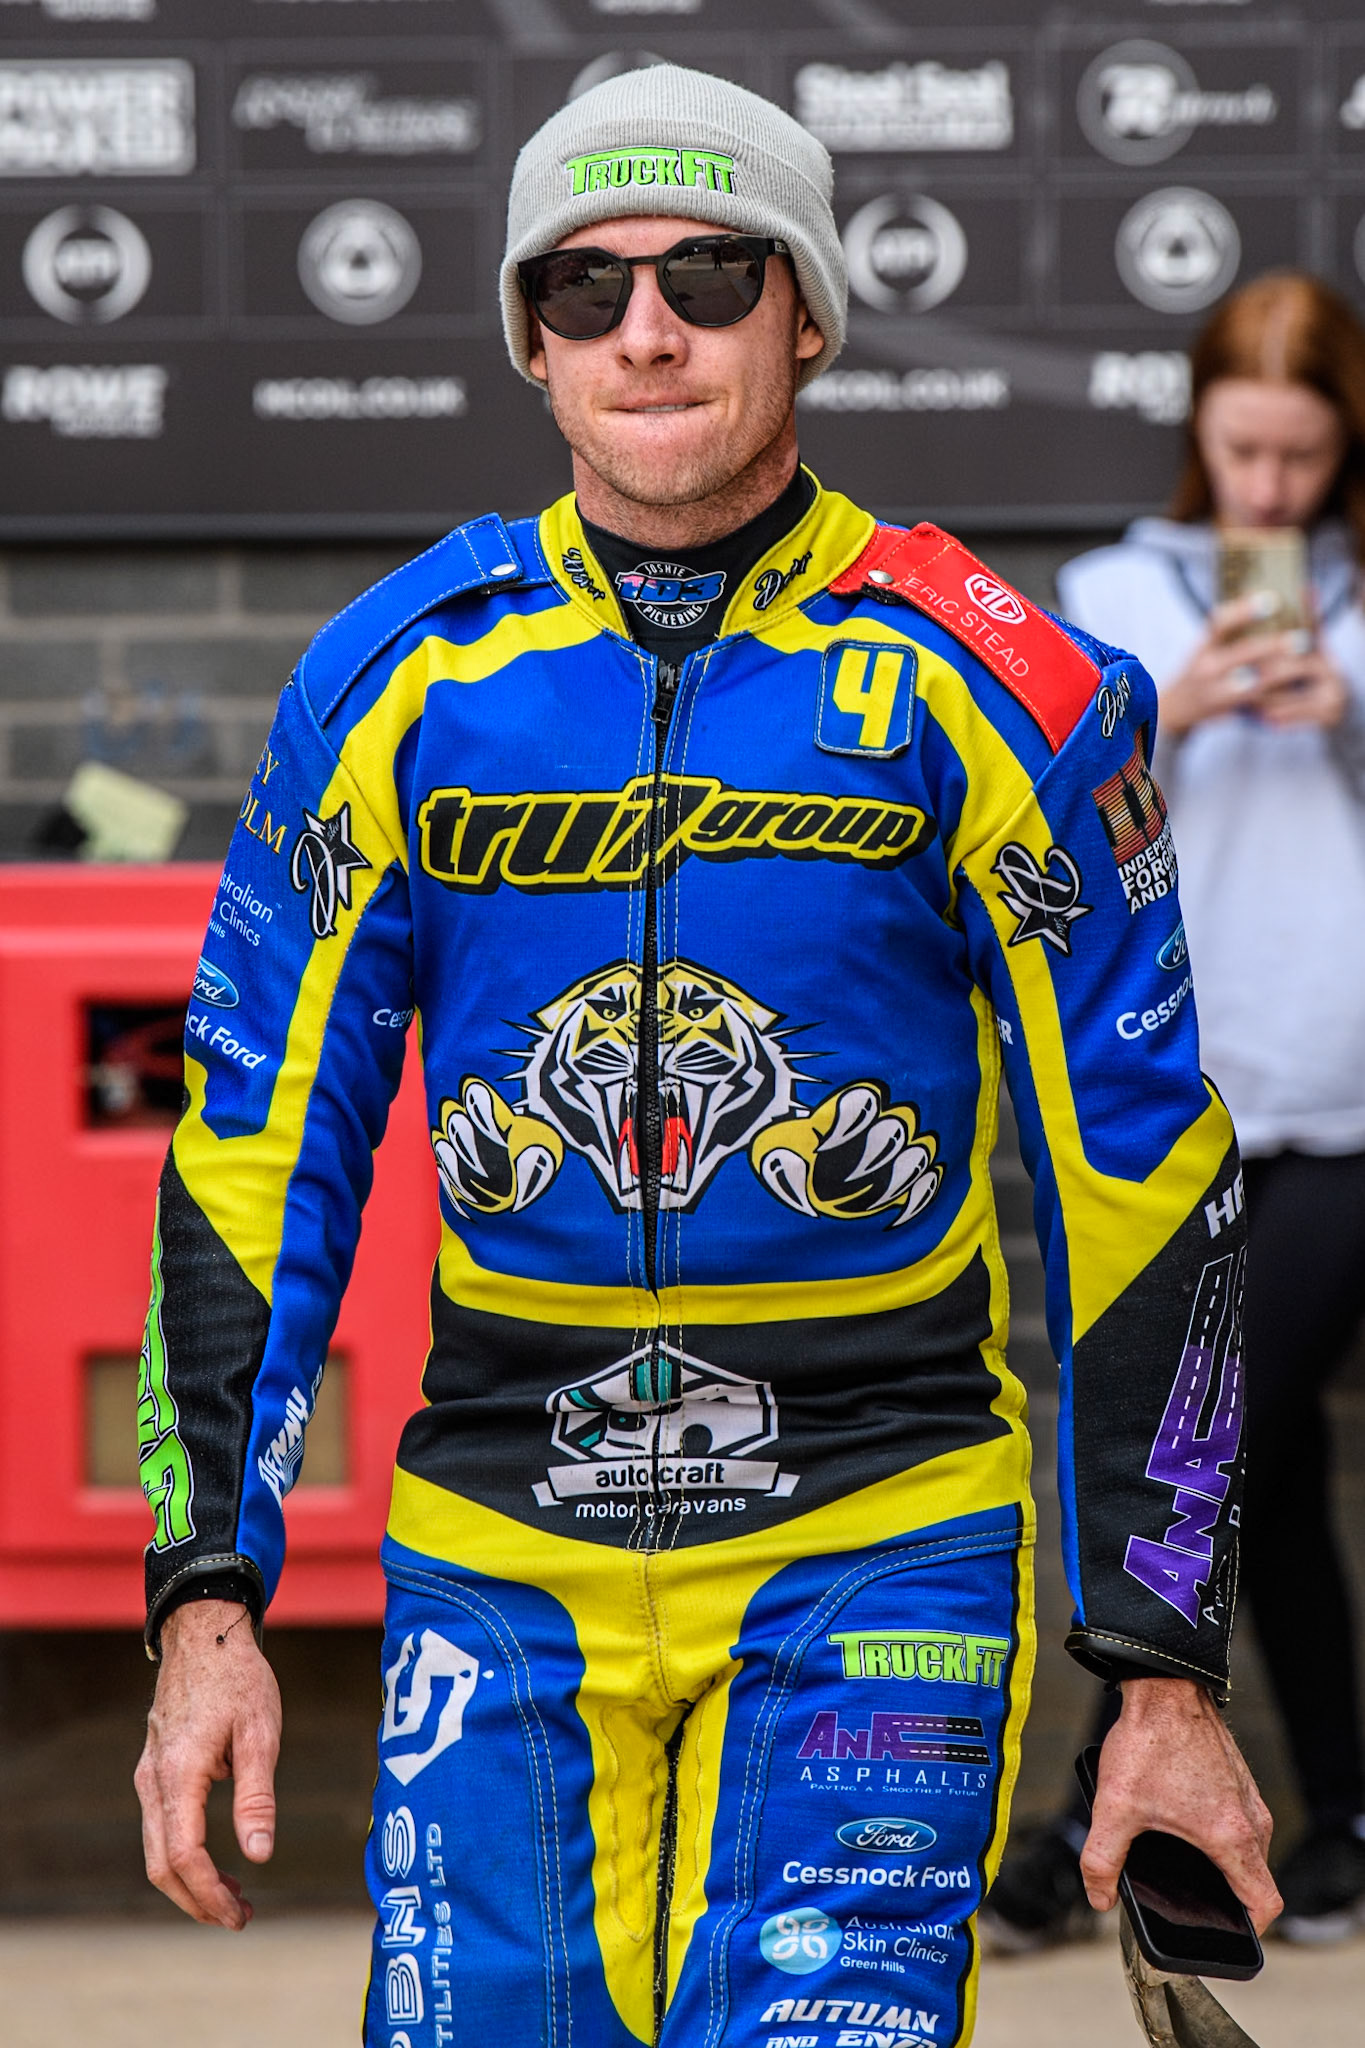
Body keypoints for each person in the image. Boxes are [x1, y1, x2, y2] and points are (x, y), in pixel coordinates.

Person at [134, 65, 1279, 2045]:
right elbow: (256, 1151)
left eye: (710, 276)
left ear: (805, 312)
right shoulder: (392, 681)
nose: (644, 330)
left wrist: (1162, 1675)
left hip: (874, 1528)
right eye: (582, 288)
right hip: (501, 1544)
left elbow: (1139, 1170)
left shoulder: (998, 683)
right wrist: (204, 1603)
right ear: (529, 339)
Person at [984, 271, 1365, 1953]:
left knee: (1221, 1442)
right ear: (1196, 433)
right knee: (1258, 1463)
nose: (1267, 487)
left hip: (1348, 1095)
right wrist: (1172, 709)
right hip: (1180, 1103)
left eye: (1300, 456)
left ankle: (1086, 1817)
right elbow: (1043, 842)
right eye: (1241, 449)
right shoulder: (1109, 599)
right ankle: (1340, 1825)